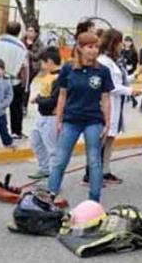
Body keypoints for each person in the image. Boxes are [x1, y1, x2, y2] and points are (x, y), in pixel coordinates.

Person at [48, 32, 114, 203]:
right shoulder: (68, 69)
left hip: (93, 120)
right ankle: (49, 197)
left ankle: (94, 200)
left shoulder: (102, 71)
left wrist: (107, 123)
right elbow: (62, 95)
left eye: (96, 47)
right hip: (71, 120)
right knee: (60, 160)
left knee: (94, 161)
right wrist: (59, 119)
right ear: (80, 48)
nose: (94, 51)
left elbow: (105, 98)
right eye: (90, 47)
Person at [93, 29, 142, 185]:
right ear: (113, 43)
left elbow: (121, 80)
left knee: (110, 140)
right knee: (101, 141)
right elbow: (111, 86)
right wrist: (130, 91)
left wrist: (135, 75)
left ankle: (105, 171)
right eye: (120, 42)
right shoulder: (103, 61)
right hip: (106, 106)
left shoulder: (114, 60)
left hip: (116, 105)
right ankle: (93, 174)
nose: (122, 45)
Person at [0, 21, 28, 140]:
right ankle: (16, 132)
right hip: (13, 82)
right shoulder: (21, 47)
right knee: (16, 108)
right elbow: (23, 68)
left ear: (5, 29)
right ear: (19, 32)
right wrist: (24, 85)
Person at [28, 47, 62, 180]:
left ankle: (54, 177)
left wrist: (38, 99)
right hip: (41, 115)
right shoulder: (48, 76)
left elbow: (53, 100)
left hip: (51, 117)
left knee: (52, 148)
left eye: (42, 63)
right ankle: (44, 168)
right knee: (36, 141)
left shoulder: (59, 78)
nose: (41, 66)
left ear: (49, 61)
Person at [22, 24, 44, 116]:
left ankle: (24, 107)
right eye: (28, 30)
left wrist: (27, 51)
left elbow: (37, 56)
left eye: (32, 31)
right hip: (22, 67)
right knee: (20, 86)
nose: (29, 33)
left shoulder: (40, 44)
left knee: (27, 85)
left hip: (32, 67)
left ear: (36, 33)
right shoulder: (21, 41)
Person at [120, 35, 139, 108]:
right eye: (126, 41)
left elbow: (135, 61)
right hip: (122, 69)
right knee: (126, 85)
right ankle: (132, 99)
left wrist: (132, 69)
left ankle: (133, 99)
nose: (127, 43)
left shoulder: (133, 51)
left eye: (129, 41)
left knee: (127, 84)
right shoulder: (122, 50)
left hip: (130, 70)